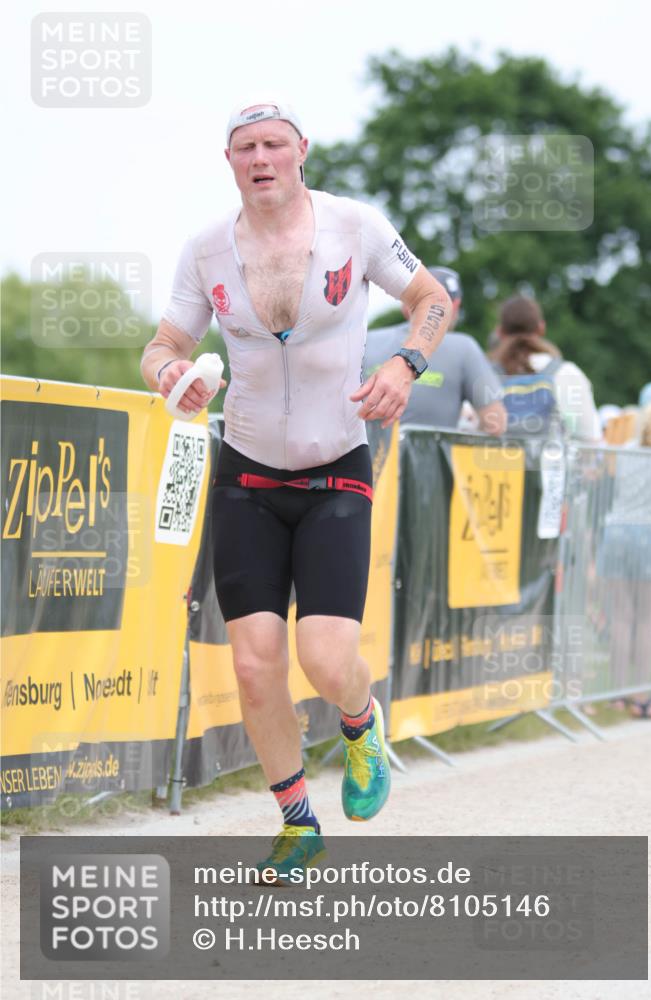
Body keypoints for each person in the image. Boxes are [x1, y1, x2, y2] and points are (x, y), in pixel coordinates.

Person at [140, 99, 451, 878]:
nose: (261, 157)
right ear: (231, 162)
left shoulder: (355, 225)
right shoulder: (207, 250)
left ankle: (360, 721)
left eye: (274, 143)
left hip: (337, 463)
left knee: (324, 653)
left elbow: (433, 298)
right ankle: (296, 819)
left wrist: (403, 363)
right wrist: (170, 373)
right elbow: (162, 345)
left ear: (301, 151)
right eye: (245, 147)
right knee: (252, 663)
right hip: (245, 470)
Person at [364, 267, 506, 434]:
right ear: (455, 306)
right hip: (431, 460)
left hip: (364, 458)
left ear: (405, 306)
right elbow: (496, 424)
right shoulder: (464, 347)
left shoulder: (367, 339)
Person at [598, 400, 651, 718]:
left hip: (617, 533)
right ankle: (640, 698)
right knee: (645, 623)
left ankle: (616, 695)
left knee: (621, 620)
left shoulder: (625, 449)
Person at [489, 296, 602, 441]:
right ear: (541, 328)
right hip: (550, 462)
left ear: (500, 332)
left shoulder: (485, 372)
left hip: (495, 461)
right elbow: (589, 436)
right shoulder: (566, 372)